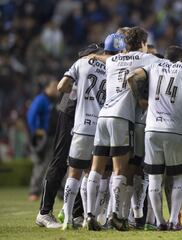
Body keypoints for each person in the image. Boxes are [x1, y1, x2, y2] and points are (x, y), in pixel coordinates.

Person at [86, 27, 159, 231]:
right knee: (120, 169)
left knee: (96, 168)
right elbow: (167, 66)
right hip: (121, 117)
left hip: (103, 116)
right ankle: (116, 216)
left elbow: (101, 59)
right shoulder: (148, 59)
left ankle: (90, 214)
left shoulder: (112, 60)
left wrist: (92, 55)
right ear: (143, 43)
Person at [56, 33, 125, 230]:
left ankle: (68, 218)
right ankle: (90, 216)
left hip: (82, 125)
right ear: (120, 52)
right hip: (103, 127)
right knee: (95, 173)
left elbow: (62, 86)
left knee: (74, 173)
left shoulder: (83, 62)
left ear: (104, 49)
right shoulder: (118, 68)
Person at [127, 45, 182, 231]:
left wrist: (141, 99)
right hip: (175, 129)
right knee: (180, 176)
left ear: (165, 57)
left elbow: (131, 76)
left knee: (154, 178)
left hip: (152, 129)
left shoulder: (154, 65)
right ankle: (174, 220)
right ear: (181, 59)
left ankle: (159, 221)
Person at [35, 44, 103, 229]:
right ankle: (44, 212)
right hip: (70, 111)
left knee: (86, 165)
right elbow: (65, 84)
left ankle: (76, 214)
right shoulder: (88, 61)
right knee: (60, 161)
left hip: (87, 114)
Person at [27, 77, 58, 201]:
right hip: (43, 137)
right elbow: (31, 115)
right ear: (47, 87)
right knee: (41, 164)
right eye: (54, 86)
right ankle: (34, 191)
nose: (57, 88)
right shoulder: (41, 99)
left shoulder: (54, 100)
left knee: (53, 165)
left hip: (54, 136)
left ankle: (56, 192)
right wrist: (36, 130)